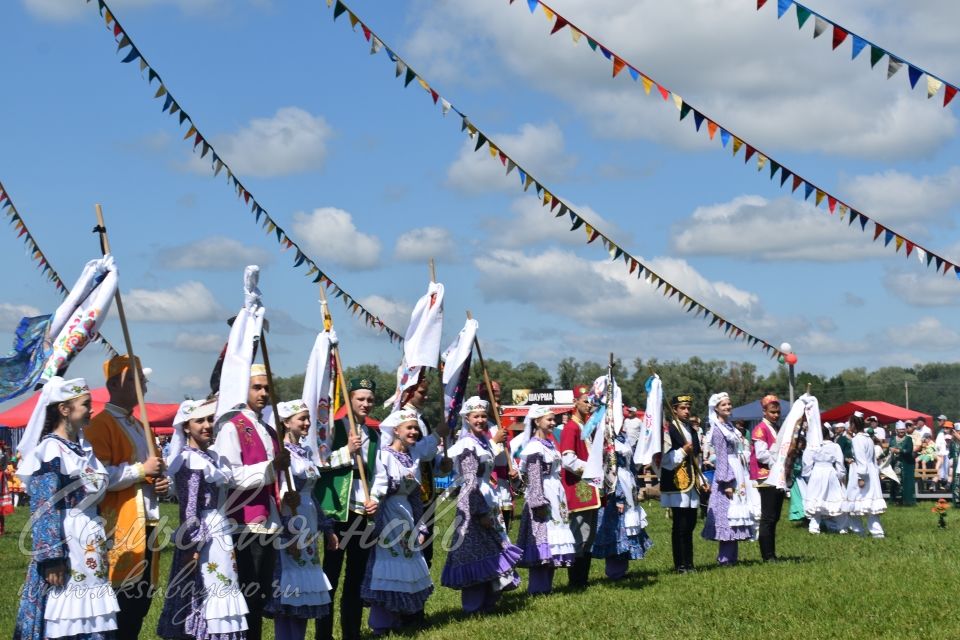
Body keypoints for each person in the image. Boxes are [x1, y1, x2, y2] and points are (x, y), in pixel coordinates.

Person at [14, 377, 120, 640]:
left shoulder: (82, 450)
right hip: (67, 547)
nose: (91, 410)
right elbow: (43, 507)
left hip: (88, 546)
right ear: (64, 409)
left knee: (92, 618)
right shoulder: (50, 451)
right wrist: (52, 559)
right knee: (65, 618)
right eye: (86, 405)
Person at [85, 355, 169, 638]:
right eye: (135, 380)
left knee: (139, 602)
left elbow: (150, 474)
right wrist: (140, 469)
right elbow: (98, 477)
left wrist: (159, 483)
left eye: (143, 381)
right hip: (119, 524)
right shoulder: (100, 426)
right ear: (113, 384)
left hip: (148, 522)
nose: (143, 387)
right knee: (119, 602)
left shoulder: (140, 426)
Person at [158, 398, 249, 640]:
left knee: (222, 584)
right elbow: (189, 509)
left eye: (210, 419)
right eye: (199, 421)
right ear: (186, 427)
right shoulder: (190, 460)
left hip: (219, 532)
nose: (207, 425)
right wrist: (193, 544)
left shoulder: (210, 457)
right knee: (202, 589)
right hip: (203, 535)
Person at [212, 364, 290, 640]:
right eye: (257, 387)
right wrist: (270, 467)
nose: (264, 393)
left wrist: (283, 491)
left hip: (268, 518)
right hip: (243, 520)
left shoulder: (269, 429)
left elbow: (274, 475)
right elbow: (228, 474)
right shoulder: (232, 428)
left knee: (261, 593)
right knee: (248, 591)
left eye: (267, 388)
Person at [361, 408, 438, 635]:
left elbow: (415, 495)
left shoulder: (412, 457)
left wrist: (421, 525)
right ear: (396, 431)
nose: (413, 431)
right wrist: (376, 519)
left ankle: (399, 618)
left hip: (406, 516)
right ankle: (381, 623)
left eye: (416, 428)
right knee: (388, 564)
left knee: (406, 563)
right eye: (409, 428)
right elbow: (378, 488)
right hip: (387, 515)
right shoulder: (383, 455)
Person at [441, 396, 521, 614]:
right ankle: (473, 606)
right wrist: (479, 511)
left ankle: (489, 601)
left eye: (484, 416)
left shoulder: (483, 442)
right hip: (473, 503)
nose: (481, 420)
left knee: (492, 550)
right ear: (467, 418)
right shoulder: (467, 445)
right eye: (476, 416)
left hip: (488, 496)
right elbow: (469, 481)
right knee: (475, 552)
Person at [266, 400, 338, 640]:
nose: (307, 423)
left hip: (309, 524)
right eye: (302, 419)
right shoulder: (281, 454)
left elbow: (312, 495)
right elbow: (279, 496)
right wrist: (289, 533)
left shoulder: (306, 452)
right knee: (290, 586)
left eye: (308, 418)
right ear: (286, 422)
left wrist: (326, 527)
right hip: (289, 522)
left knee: (306, 587)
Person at [315, 377, 378, 640]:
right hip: (338, 512)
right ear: (349, 399)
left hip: (363, 513)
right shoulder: (333, 429)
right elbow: (318, 462)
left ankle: (351, 632)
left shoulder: (375, 435)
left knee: (356, 577)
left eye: (369, 400)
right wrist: (345, 451)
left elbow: (378, 473)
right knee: (331, 576)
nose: (365, 404)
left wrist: (375, 497)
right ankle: (324, 634)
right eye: (360, 399)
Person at [513, 405, 576, 595]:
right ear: (537, 421)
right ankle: (538, 588)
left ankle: (546, 586)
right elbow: (534, 477)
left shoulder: (549, 444)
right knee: (542, 539)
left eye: (553, 419)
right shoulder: (534, 448)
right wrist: (538, 502)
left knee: (552, 541)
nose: (553, 422)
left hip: (555, 493)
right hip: (543, 496)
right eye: (548, 419)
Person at [701, 392, 759, 566]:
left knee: (735, 514)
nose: (727, 407)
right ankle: (725, 558)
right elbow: (722, 457)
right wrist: (726, 481)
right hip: (728, 472)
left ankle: (732, 556)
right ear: (716, 409)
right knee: (727, 513)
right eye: (723, 405)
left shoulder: (729, 426)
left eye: (729, 404)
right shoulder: (718, 429)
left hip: (738, 469)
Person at [591, 419, 652, 580]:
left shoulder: (623, 438)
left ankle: (622, 568)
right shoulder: (606, 441)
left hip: (628, 485)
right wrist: (618, 496)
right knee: (617, 528)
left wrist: (636, 486)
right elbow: (610, 471)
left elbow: (630, 464)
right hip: (616, 487)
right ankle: (614, 571)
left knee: (628, 525)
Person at [558, 384, 600, 589]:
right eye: (585, 401)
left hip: (589, 487)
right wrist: (592, 469)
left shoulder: (586, 426)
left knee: (588, 535)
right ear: (575, 402)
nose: (589, 405)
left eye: (591, 401)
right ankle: (576, 581)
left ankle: (583, 579)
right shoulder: (571, 428)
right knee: (579, 534)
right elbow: (568, 460)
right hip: (577, 487)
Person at [660, 394, 702, 574]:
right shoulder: (669, 430)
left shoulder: (691, 430)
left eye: (688, 408)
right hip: (677, 482)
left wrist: (701, 479)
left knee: (691, 523)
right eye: (682, 408)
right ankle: (680, 564)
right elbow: (664, 460)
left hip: (691, 481)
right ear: (675, 409)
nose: (686, 411)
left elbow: (697, 457)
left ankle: (689, 562)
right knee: (680, 524)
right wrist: (683, 451)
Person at [477, 381, 518, 531]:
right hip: (490, 482)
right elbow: (479, 455)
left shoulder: (500, 425)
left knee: (504, 529)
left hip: (504, 483)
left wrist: (514, 471)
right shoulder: (480, 425)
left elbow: (510, 456)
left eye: (499, 401)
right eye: (494, 399)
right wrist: (495, 441)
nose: (498, 405)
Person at [750, 394, 785, 562]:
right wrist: (776, 464)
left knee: (775, 517)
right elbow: (761, 454)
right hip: (766, 476)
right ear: (764, 411)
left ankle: (771, 553)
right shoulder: (760, 429)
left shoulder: (776, 428)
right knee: (768, 517)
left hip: (776, 476)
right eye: (772, 412)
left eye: (778, 412)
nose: (776, 415)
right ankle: (767, 555)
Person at [842, 413, 886, 538]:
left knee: (855, 503)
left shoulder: (857, 439)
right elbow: (871, 459)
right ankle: (877, 533)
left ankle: (859, 532)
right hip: (871, 471)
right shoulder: (868, 438)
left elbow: (861, 459)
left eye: (851, 423)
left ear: (854, 424)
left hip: (861, 472)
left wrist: (861, 477)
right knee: (870, 505)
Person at [803, 425, 846, 534]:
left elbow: (806, 463)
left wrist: (809, 476)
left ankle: (814, 527)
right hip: (830, 472)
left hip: (816, 473)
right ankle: (837, 526)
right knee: (832, 497)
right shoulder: (835, 446)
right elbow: (840, 463)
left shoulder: (811, 446)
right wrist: (840, 475)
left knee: (816, 498)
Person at [888, 421, 916, 506]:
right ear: (896, 430)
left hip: (906, 464)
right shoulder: (892, 439)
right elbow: (888, 449)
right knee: (895, 481)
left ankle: (906, 501)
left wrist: (898, 451)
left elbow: (908, 451)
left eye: (903, 429)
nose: (902, 431)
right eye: (900, 429)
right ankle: (896, 500)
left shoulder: (908, 439)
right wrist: (880, 456)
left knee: (905, 482)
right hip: (895, 464)